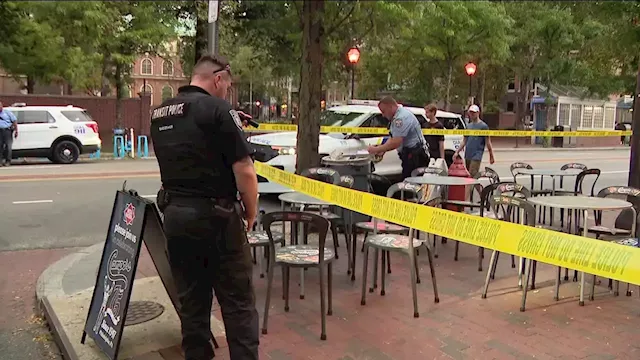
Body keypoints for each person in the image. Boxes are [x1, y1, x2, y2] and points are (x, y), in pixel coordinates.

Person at [149, 54, 259, 360]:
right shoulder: (218, 109)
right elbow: (245, 170)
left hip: (175, 217)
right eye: (228, 85)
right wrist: (250, 213)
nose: (228, 91)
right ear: (218, 79)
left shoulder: (160, 113)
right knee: (238, 304)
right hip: (217, 219)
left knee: (193, 303)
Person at [367, 96, 429, 179]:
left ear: (391, 107)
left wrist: (376, 149)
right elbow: (393, 137)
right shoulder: (397, 116)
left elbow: (396, 142)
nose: (383, 115)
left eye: (384, 111)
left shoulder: (400, 119)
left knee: (411, 184)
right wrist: (383, 150)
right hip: (412, 155)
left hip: (415, 157)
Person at [452, 104, 494, 177]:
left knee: (472, 174)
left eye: (474, 113)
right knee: (469, 175)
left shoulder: (483, 126)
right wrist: (457, 152)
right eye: (470, 113)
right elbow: (464, 141)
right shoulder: (468, 126)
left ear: (478, 113)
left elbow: (488, 141)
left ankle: (471, 188)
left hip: (477, 154)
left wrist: (491, 155)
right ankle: (478, 188)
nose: (472, 114)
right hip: (468, 154)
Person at [0, 101, 17, 166]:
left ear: (2, 106)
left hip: (7, 131)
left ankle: (8, 161)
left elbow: (14, 121)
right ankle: (0, 162)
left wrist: (16, 130)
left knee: (8, 147)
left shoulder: (7, 112)